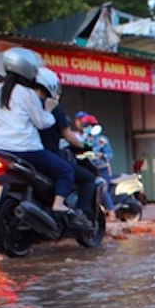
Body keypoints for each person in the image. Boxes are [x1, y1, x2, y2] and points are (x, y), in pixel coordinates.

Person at [0, 47, 88, 229]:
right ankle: (58, 205)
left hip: (0, 148)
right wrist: (48, 109)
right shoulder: (26, 93)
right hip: (27, 150)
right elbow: (43, 123)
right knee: (65, 171)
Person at [34, 68, 98, 223]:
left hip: (20, 154)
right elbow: (70, 137)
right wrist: (85, 146)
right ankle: (79, 216)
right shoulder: (53, 107)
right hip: (45, 156)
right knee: (88, 178)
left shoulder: (21, 106)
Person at [78, 113, 116, 220]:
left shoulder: (101, 140)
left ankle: (111, 212)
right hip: (88, 169)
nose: (85, 128)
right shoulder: (83, 140)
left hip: (101, 169)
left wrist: (101, 155)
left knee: (102, 190)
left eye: (87, 125)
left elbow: (110, 154)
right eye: (84, 125)